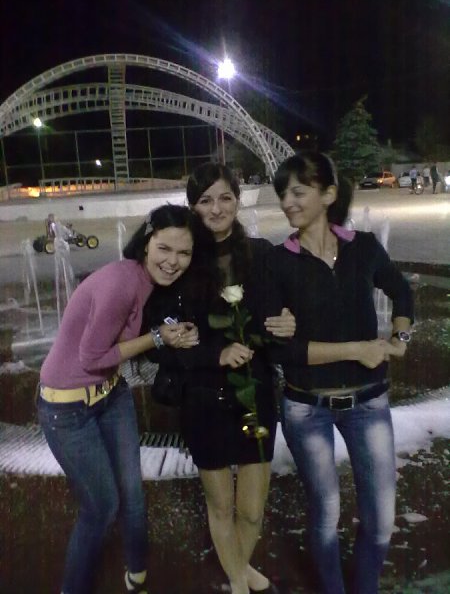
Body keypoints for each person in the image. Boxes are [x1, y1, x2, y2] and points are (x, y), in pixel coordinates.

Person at [38, 205, 214, 594]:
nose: (173, 262)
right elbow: (92, 358)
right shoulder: (121, 282)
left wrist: (173, 335)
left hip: (111, 394)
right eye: (164, 248)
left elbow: (131, 344)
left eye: (183, 253)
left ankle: (138, 577)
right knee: (101, 509)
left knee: (133, 495)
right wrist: (158, 337)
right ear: (146, 242)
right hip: (67, 409)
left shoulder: (148, 282)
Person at [145, 163, 295, 594]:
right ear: (193, 207)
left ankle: (237, 570)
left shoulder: (262, 254)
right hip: (204, 397)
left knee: (251, 509)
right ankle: (239, 583)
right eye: (205, 200)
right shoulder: (183, 261)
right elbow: (161, 340)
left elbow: (280, 314)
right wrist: (215, 353)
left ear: (238, 200)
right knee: (222, 504)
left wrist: (288, 321)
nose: (216, 208)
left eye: (225, 197)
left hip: (255, 392)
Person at [269, 152, 414, 594]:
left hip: (369, 403)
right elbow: (285, 351)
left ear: (329, 194)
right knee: (326, 511)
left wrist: (401, 337)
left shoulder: (364, 247)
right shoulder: (278, 261)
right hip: (306, 407)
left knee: (381, 516)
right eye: (283, 194)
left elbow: (401, 291)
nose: (288, 202)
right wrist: (359, 349)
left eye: (298, 192)